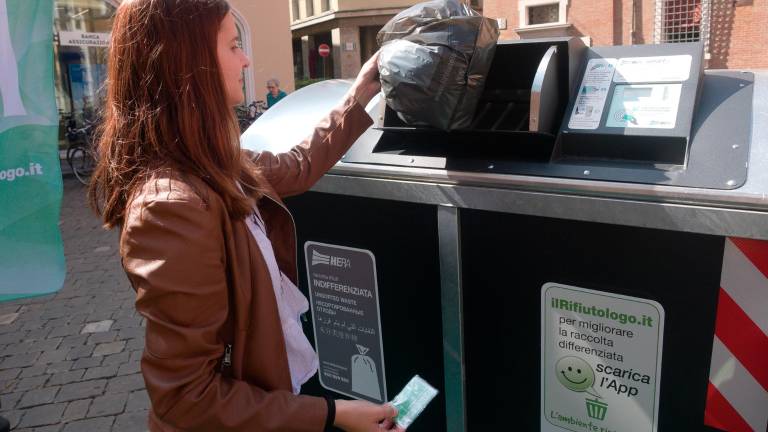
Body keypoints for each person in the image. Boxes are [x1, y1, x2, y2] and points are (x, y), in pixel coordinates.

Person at [88, 1, 401, 431]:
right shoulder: (172, 207)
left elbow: (297, 165)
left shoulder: (213, 163)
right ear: (188, 63)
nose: (246, 58)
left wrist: (362, 91)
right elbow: (186, 398)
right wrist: (333, 414)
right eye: (233, 46)